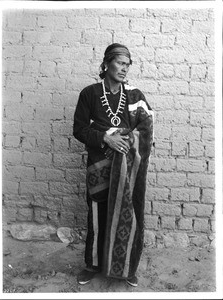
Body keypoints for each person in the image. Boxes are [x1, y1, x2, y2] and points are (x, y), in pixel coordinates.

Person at [73, 43, 154, 287]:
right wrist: (106, 137)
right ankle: (93, 265)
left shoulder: (135, 96)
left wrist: (128, 139)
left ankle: (128, 267)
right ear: (106, 63)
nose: (124, 68)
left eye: (127, 64)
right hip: (100, 166)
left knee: (129, 212)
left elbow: (146, 128)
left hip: (128, 170)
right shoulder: (89, 94)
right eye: (120, 62)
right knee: (98, 216)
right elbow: (79, 129)